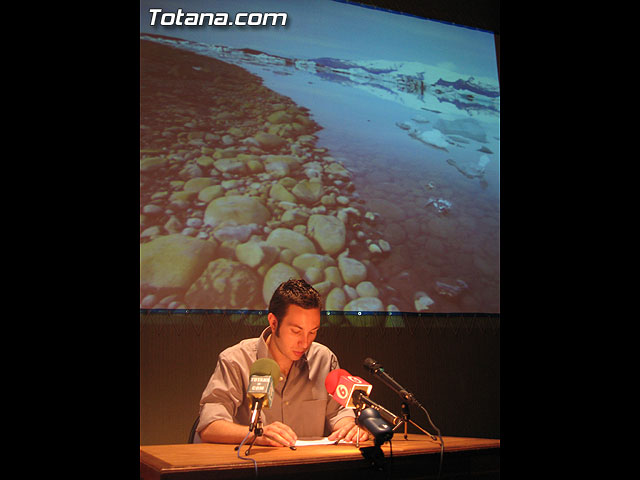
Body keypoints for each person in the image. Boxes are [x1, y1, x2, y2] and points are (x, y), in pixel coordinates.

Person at [194, 278, 369, 446]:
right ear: (273, 323)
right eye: (296, 331)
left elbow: (339, 413)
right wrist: (256, 435)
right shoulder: (235, 360)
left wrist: (349, 429)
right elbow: (210, 426)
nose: (305, 342)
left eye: (312, 332)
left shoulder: (323, 359)